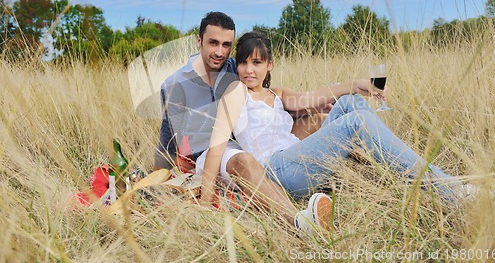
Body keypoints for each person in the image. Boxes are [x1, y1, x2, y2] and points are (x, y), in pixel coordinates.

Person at [199, 31, 467, 207]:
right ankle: (450, 191)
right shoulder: (236, 92)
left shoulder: (277, 94)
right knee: (356, 122)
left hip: (299, 158)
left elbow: (314, 97)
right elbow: (217, 143)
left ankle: (397, 172)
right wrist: (206, 196)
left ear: (269, 65)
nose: (248, 70)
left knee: (352, 102)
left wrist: (355, 85)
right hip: (276, 170)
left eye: (257, 63)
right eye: (244, 62)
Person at [154, 12, 333, 234]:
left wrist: (311, 110)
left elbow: (264, 106)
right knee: (242, 159)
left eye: (226, 45)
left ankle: (328, 181)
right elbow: (168, 141)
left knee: (320, 121)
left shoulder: (235, 67)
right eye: (213, 43)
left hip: (249, 143)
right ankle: (298, 222)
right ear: (198, 41)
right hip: (214, 153)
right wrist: (158, 178)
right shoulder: (174, 85)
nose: (219, 52)